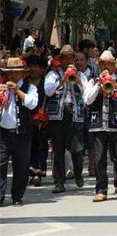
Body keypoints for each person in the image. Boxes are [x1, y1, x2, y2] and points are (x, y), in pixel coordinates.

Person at [83, 51, 117, 202]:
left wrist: (115, 85)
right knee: (99, 158)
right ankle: (101, 189)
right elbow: (87, 100)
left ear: (114, 66)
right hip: (98, 125)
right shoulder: (92, 81)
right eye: (103, 63)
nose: (106, 66)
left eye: (109, 64)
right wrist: (99, 84)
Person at [45, 44, 88, 193]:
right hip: (58, 116)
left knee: (77, 149)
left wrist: (78, 80)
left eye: (71, 58)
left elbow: (87, 95)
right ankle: (59, 182)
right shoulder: (53, 74)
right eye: (66, 58)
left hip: (74, 114)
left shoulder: (81, 75)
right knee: (58, 149)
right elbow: (48, 91)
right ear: (61, 59)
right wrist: (62, 80)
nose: (69, 61)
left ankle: (78, 172)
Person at [0, 57, 38, 205]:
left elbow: (32, 104)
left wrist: (17, 91)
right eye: (10, 73)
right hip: (3, 132)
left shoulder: (30, 87)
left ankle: (17, 196)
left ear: (22, 73)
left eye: (15, 73)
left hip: (23, 133)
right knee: (0, 164)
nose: (12, 76)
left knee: (21, 166)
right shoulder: (2, 87)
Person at [26, 55, 48, 187]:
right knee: (28, 146)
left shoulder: (46, 83)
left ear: (42, 69)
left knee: (41, 146)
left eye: (36, 66)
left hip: (42, 119)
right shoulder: (24, 82)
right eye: (31, 66)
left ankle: (38, 173)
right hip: (25, 118)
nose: (32, 69)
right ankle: (30, 171)